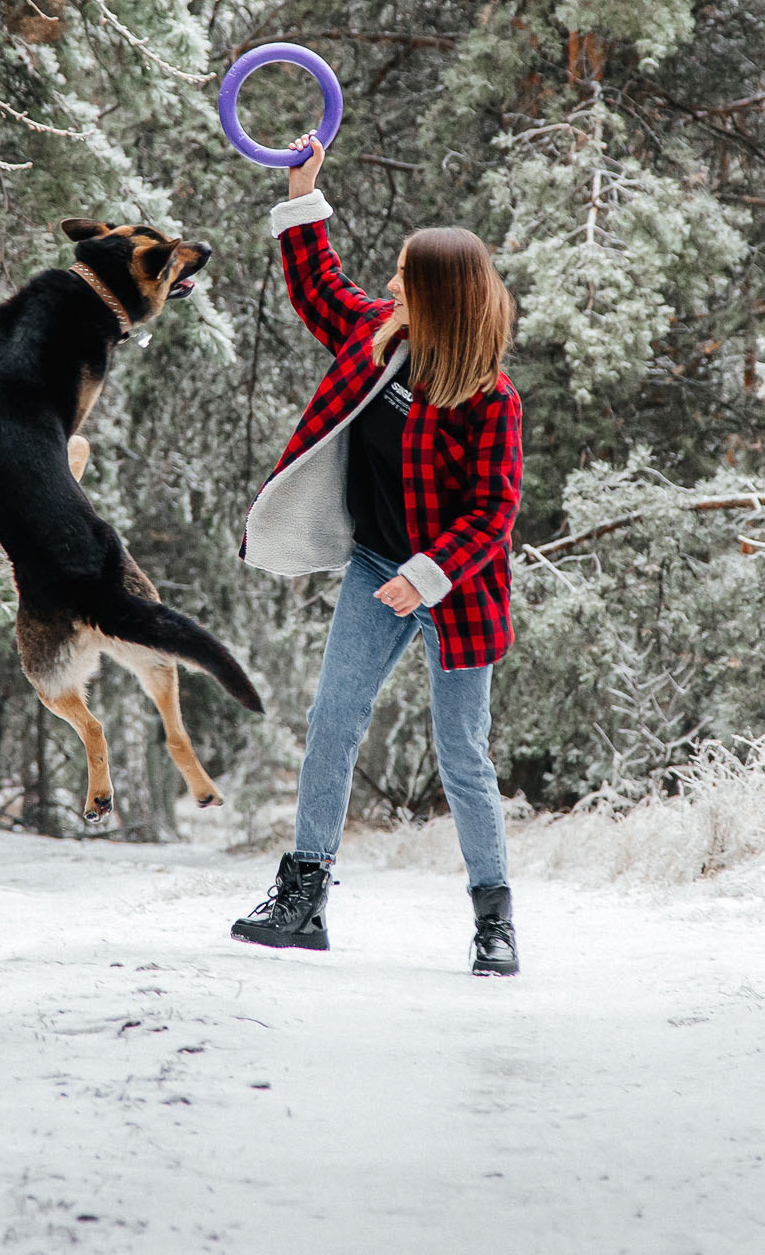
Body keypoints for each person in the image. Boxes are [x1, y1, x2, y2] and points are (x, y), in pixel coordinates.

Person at [230, 135, 525, 976]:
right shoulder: (374, 338)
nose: (390, 286)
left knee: (463, 754)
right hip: (373, 566)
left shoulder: (490, 399)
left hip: (455, 588)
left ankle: (494, 923)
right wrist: (303, 188)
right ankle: (303, 898)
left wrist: (425, 578)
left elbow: (493, 513)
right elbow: (317, 286)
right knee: (332, 722)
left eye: (403, 277)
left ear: (439, 299)